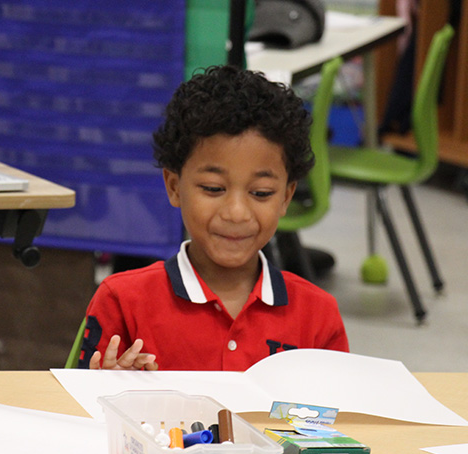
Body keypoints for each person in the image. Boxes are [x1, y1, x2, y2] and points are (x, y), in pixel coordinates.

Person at [79, 65, 349, 371]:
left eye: (261, 193)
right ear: (174, 187)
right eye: (213, 188)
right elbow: (79, 409)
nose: (236, 213)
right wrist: (107, 386)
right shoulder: (123, 300)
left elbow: (333, 414)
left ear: (286, 197)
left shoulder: (318, 313)